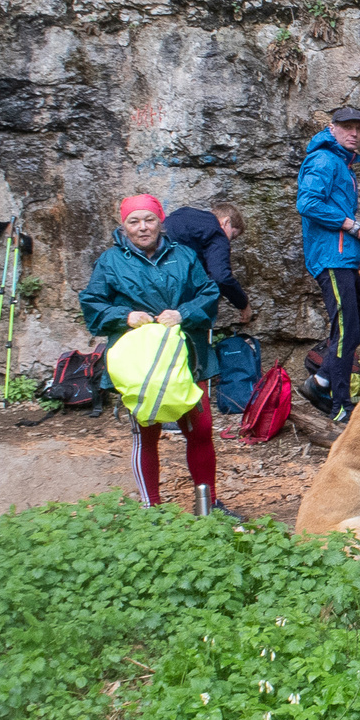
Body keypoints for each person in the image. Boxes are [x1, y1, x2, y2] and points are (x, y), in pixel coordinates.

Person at [79, 194, 230, 515]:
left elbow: (208, 292)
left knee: (200, 429)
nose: (142, 227)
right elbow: (92, 302)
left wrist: (183, 313)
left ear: (161, 220)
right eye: (134, 221)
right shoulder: (111, 262)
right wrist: (125, 316)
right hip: (140, 364)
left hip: (189, 357)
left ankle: (208, 506)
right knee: (147, 433)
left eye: (149, 219)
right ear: (124, 225)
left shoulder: (184, 256)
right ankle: (152, 511)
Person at [296, 106, 360, 418]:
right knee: (346, 329)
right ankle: (341, 405)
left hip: (343, 257)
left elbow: (332, 211)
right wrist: (351, 225)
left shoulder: (343, 165)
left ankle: (320, 379)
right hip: (331, 259)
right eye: (347, 127)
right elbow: (307, 203)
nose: (355, 134)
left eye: (359, 127)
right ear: (331, 128)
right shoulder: (324, 159)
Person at [163, 202, 250, 322]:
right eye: (233, 236)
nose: (228, 242)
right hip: (175, 291)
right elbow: (220, 277)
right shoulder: (216, 231)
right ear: (226, 222)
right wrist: (243, 303)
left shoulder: (182, 213)